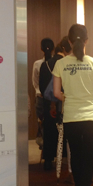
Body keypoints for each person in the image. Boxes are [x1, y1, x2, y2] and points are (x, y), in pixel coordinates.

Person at [53, 24, 93, 186]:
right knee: (88, 156)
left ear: (68, 41)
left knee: (75, 155)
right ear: (86, 41)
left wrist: (69, 98)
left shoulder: (61, 64)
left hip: (72, 117)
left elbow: (56, 93)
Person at [38, 38, 57, 169]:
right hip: (60, 102)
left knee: (47, 130)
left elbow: (37, 84)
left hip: (45, 101)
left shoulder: (40, 64)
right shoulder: (62, 63)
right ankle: (62, 157)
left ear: (41, 48)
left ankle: (48, 160)